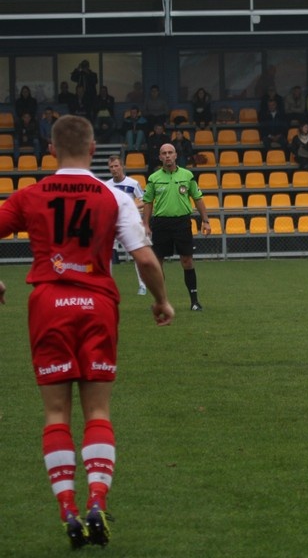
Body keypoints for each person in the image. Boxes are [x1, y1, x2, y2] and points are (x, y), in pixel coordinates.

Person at [0, 114, 173, 550]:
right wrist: (161, 301)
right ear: (94, 150)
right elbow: (147, 260)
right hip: (96, 304)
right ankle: (98, 499)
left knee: (57, 414)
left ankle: (67, 511)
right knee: (97, 412)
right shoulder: (113, 196)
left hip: (47, 305)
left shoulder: (29, 195)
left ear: (51, 150)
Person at [142, 143, 212, 311]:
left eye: (170, 152)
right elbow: (148, 202)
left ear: (176, 155)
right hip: (161, 224)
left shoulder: (187, 175)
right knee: (158, 264)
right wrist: (145, 224)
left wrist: (206, 220)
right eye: (164, 153)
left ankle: (194, 301)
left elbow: (198, 198)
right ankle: (161, 300)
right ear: (159, 157)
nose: (167, 156)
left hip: (182, 223)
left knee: (187, 261)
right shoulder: (153, 178)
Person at [106, 155, 149, 294]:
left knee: (137, 254)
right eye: (111, 167)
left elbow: (144, 201)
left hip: (129, 223)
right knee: (106, 254)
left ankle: (142, 285)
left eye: (116, 166)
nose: (114, 169)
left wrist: (130, 207)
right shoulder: (107, 185)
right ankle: (107, 285)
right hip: (113, 223)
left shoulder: (132, 183)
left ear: (122, 166)